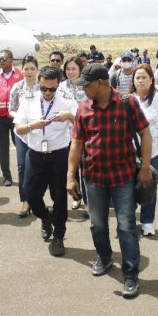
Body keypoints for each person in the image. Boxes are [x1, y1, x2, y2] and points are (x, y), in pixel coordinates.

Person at [67, 64, 152, 299]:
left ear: (101, 83)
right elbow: (77, 143)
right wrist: (70, 176)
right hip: (93, 178)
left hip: (123, 177)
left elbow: (145, 133)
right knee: (97, 224)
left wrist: (145, 167)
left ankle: (131, 274)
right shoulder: (83, 109)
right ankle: (104, 258)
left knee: (125, 225)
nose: (83, 88)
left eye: (86, 84)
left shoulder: (127, 103)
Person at [14, 66, 77, 256]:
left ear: (58, 85)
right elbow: (18, 129)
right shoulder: (28, 100)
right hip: (35, 154)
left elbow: (81, 122)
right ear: (39, 85)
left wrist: (69, 116)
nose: (48, 92)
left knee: (59, 198)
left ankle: (58, 236)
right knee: (31, 195)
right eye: (44, 88)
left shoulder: (67, 100)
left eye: (52, 89)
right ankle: (45, 217)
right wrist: (32, 126)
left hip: (58, 155)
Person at [131, 64, 158, 236]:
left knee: (149, 186)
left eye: (144, 77)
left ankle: (147, 221)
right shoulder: (130, 100)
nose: (140, 80)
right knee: (129, 186)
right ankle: (129, 218)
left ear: (151, 80)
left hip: (154, 150)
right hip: (132, 151)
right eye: (137, 77)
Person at [0, 50, 23, 186]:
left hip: (16, 118)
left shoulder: (21, 74)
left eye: (3, 58)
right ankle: (7, 176)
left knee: (20, 147)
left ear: (11, 59)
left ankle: (23, 175)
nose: (1, 61)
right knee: (2, 148)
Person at [8, 54, 40, 217]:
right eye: (26, 69)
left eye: (32, 69)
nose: (29, 72)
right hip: (22, 132)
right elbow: (11, 109)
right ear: (21, 70)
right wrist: (21, 118)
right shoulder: (17, 87)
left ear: (37, 69)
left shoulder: (43, 87)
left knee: (39, 167)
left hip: (40, 132)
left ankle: (38, 200)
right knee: (22, 165)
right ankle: (25, 200)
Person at [58, 56, 88, 210]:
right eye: (68, 69)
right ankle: (76, 196)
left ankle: (89, 201)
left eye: (73, 69)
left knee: (86, 167)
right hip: (67, 134)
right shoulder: (60, 87)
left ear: (80, 70)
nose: (70, 72)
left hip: (86, 133)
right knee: (72, 167)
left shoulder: (87, 86)